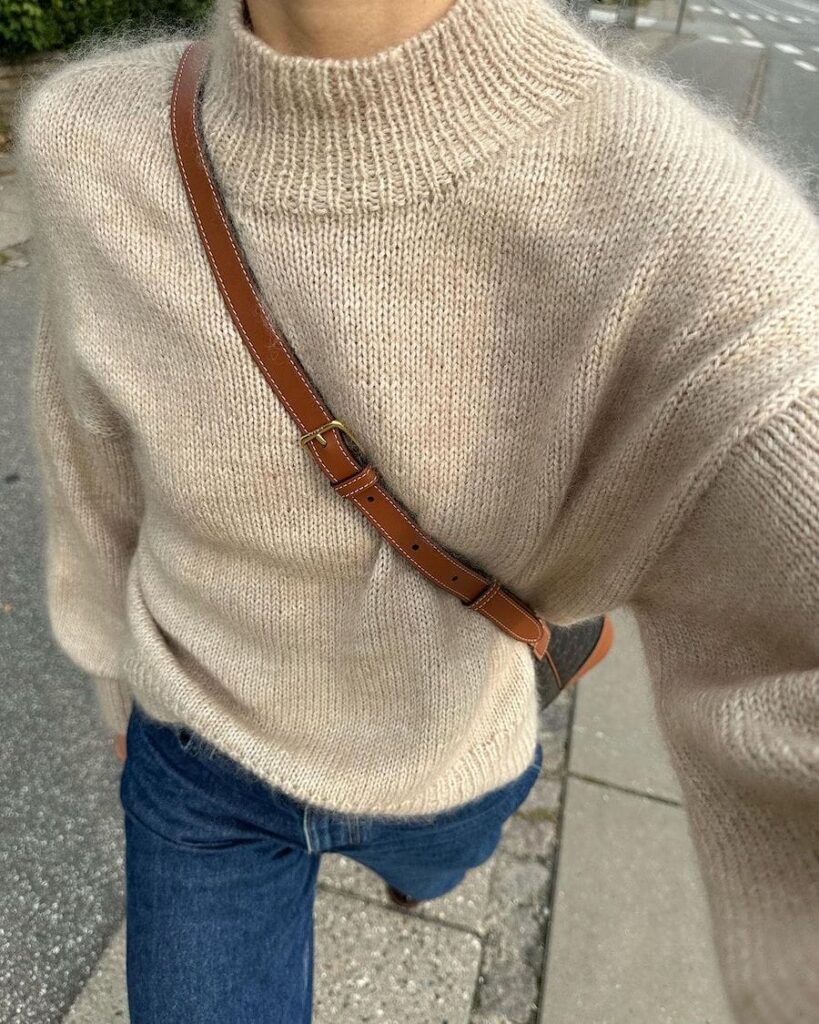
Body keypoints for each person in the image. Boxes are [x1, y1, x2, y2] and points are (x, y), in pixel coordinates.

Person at [16, 0, 818, 1021]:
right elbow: (88, 462)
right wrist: (117, 692)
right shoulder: (87, 137)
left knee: (439, 865)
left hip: (442, 759)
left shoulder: (695, 233)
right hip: (196, 761)